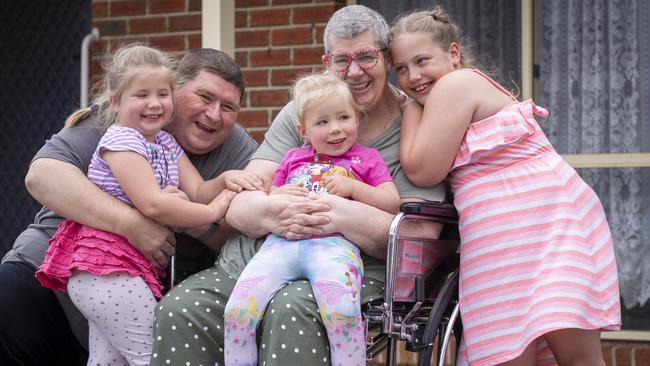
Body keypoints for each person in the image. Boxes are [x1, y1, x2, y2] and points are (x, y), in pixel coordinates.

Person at [149, 5, 446, 366]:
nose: (354, 71)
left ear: (384, 58)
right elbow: (243, 198)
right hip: (256, 260)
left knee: (292, 308)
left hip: (355, 272)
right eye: (341, 60)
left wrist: (335, 211)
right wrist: (274, 211)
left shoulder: (414, 122)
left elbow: (418, 234)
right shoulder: (302, 111)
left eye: (366, 56)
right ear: (326, 63)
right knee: (180, 309)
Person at [390, 7, 621, 366]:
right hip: (503, 236)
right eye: (400, 69)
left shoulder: (457, 84)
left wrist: (408, 109)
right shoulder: (441, 96)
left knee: (576, 356)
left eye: (422, 60)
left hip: (547, 222)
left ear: (453, 54)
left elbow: (422, 170)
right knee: (506, 348)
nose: (413, 76)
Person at [0, 48, 259, 366]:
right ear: (175, 91)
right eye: (204, 97)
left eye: (228, 107)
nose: (215, 114)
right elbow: (41, 177)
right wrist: (134, 224)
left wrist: (210, 201)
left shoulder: (223, 145)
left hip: (133, 284)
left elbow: (229, 227)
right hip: (53, 278)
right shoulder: (123, 124)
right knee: (155, 357)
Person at [224, 73, 400, 366]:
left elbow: (391, 202)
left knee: (342, 312)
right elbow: (271, 193)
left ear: (357, 118)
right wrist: (279, 193)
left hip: (332, 250)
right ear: (303, 129)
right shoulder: (293, 157)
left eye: (343, 117)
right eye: (322, 122)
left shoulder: (367, 159)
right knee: (237, 311)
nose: (335, 129)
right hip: (280, 246)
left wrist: (355, 188)